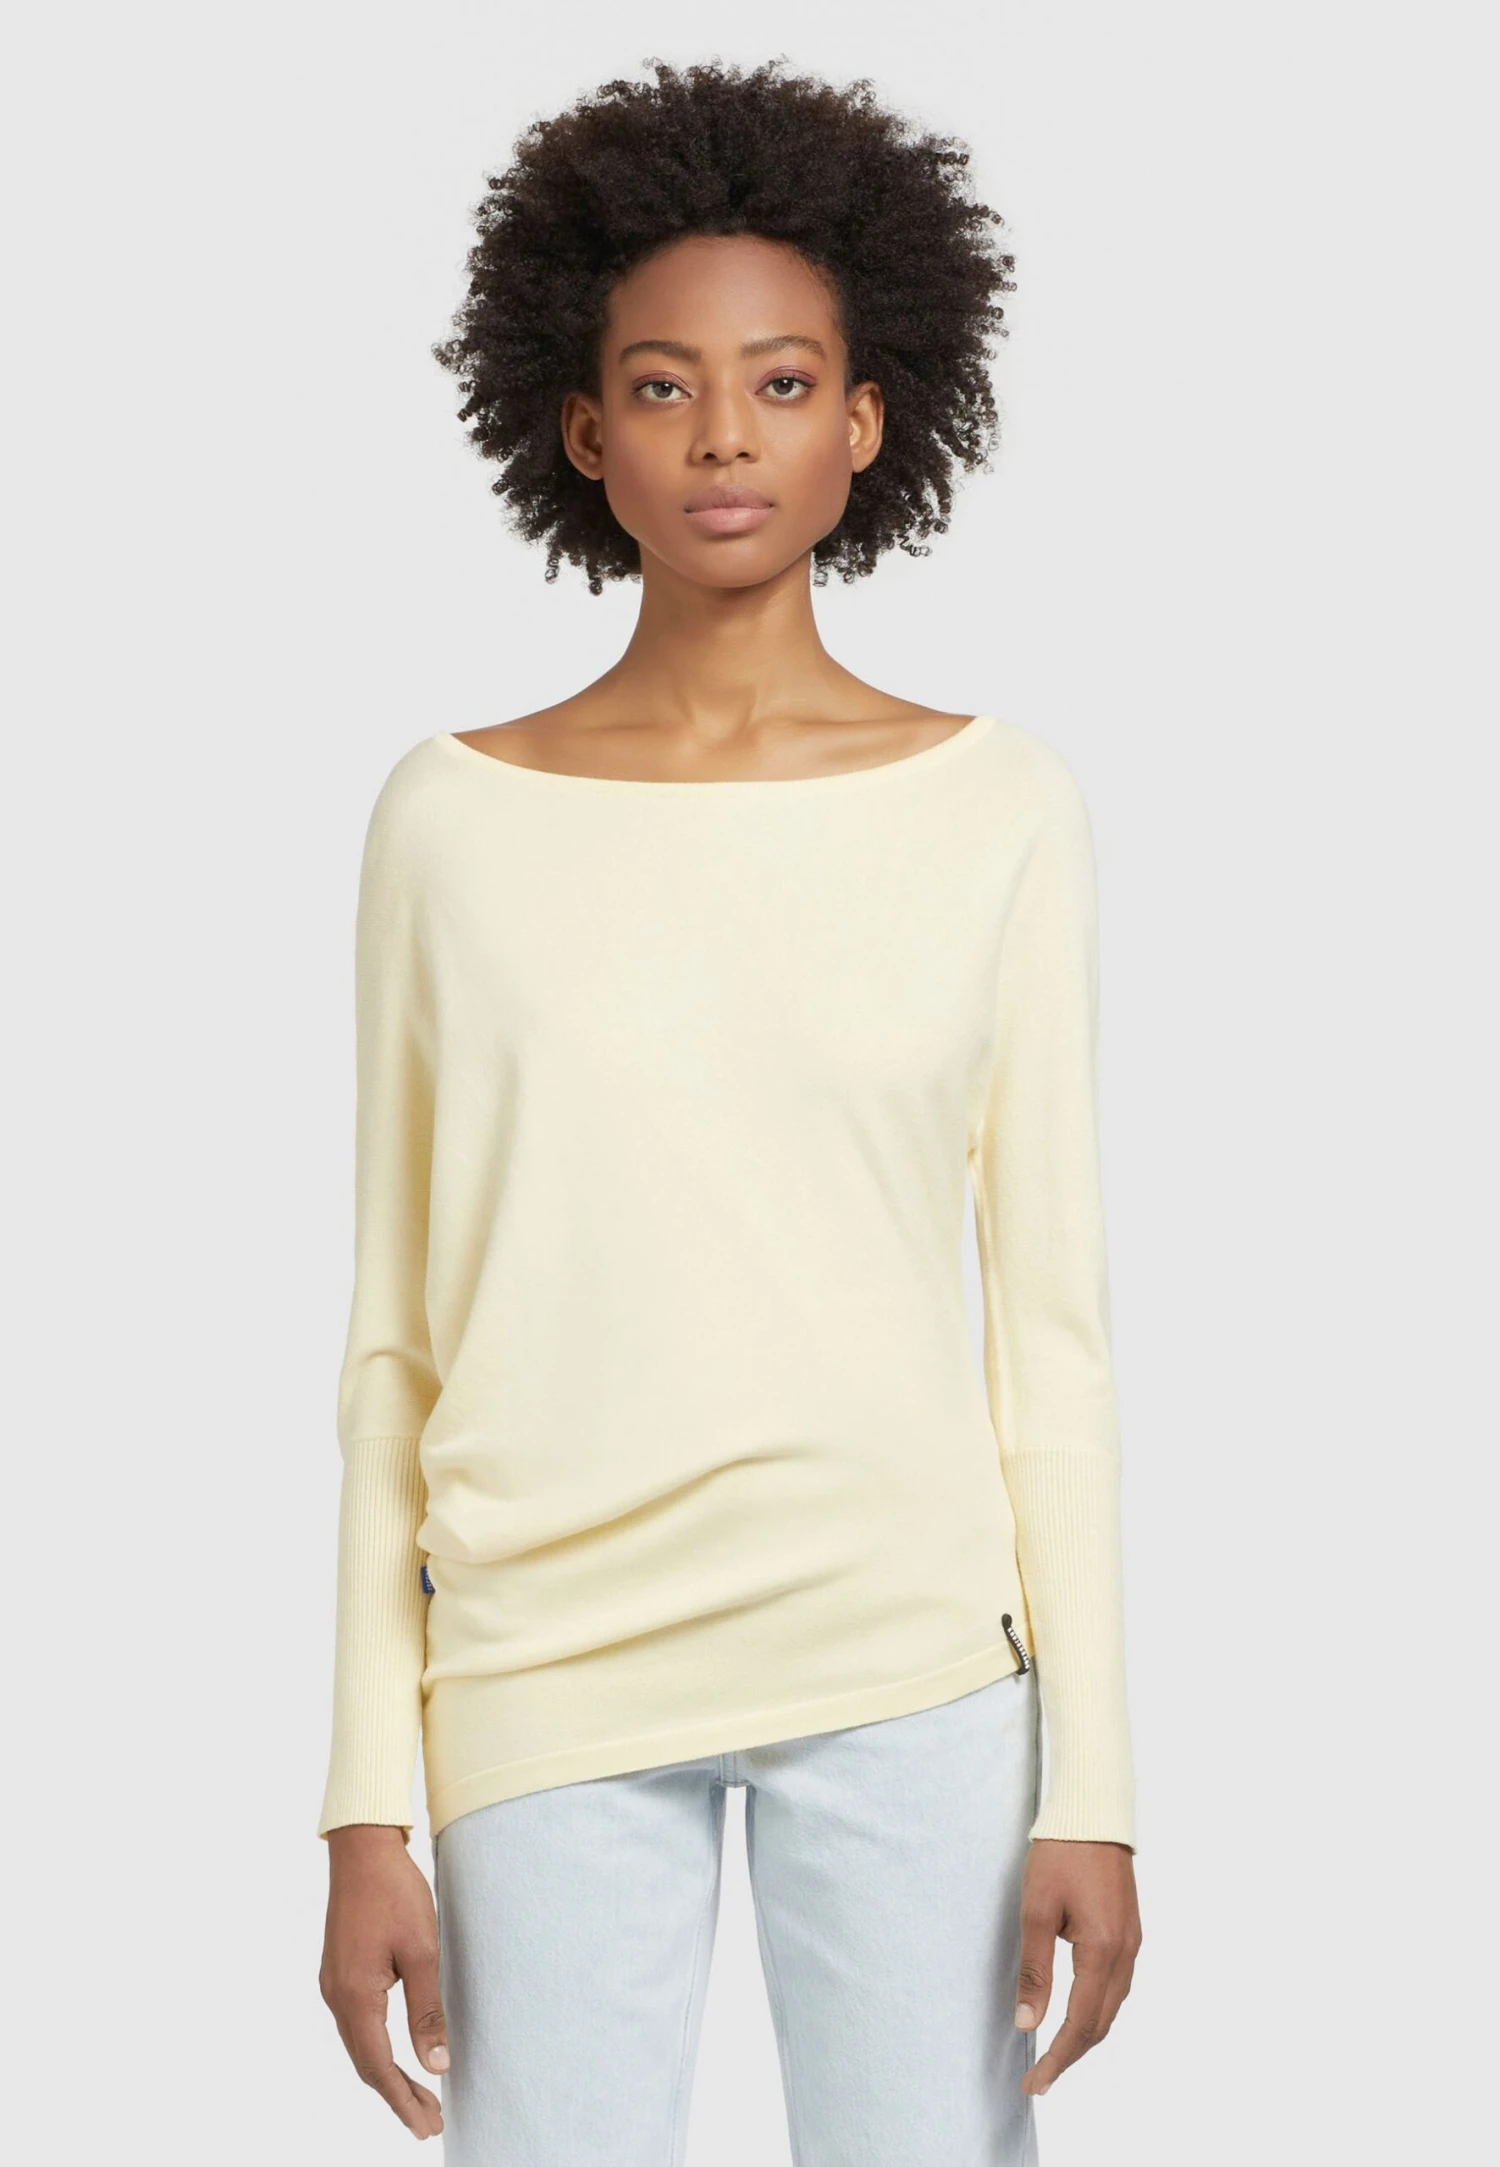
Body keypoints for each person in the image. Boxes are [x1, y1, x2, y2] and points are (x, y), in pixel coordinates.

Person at [315, 56, 1141, 2165]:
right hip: (544, 1668)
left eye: (779, 385)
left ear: (867, 418)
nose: (722, 439)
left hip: (910, 1664)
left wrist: (1096, 1788)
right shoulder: (449, 822)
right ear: (582, 429)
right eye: (663, 387)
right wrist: (359, 1803)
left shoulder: (1000, 809)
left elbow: (1052, 1339)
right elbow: (394, 1346)